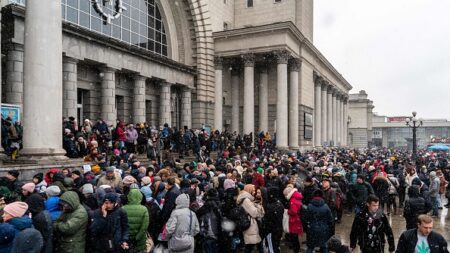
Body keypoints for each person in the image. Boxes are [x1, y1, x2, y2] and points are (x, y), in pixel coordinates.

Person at [237, 184, 265, 253]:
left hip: (248, 223)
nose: (254, 192)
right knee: (250, 245)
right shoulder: (246, 200)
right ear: (249, 190)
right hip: (251, 225)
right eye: (253, 190)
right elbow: (255, 213)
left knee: (251, 245)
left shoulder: (246, 199)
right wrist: (258, 206)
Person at [283, 184, 304, 253]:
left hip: (294, 221)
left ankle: (296, 250)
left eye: (285, 195)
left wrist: (287, 211)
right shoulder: (296, 197)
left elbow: (293, 211)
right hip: (297, 220)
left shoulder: (292, 200)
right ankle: (296, 249)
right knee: (295, 237)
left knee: (294, 238)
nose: (285, 197)